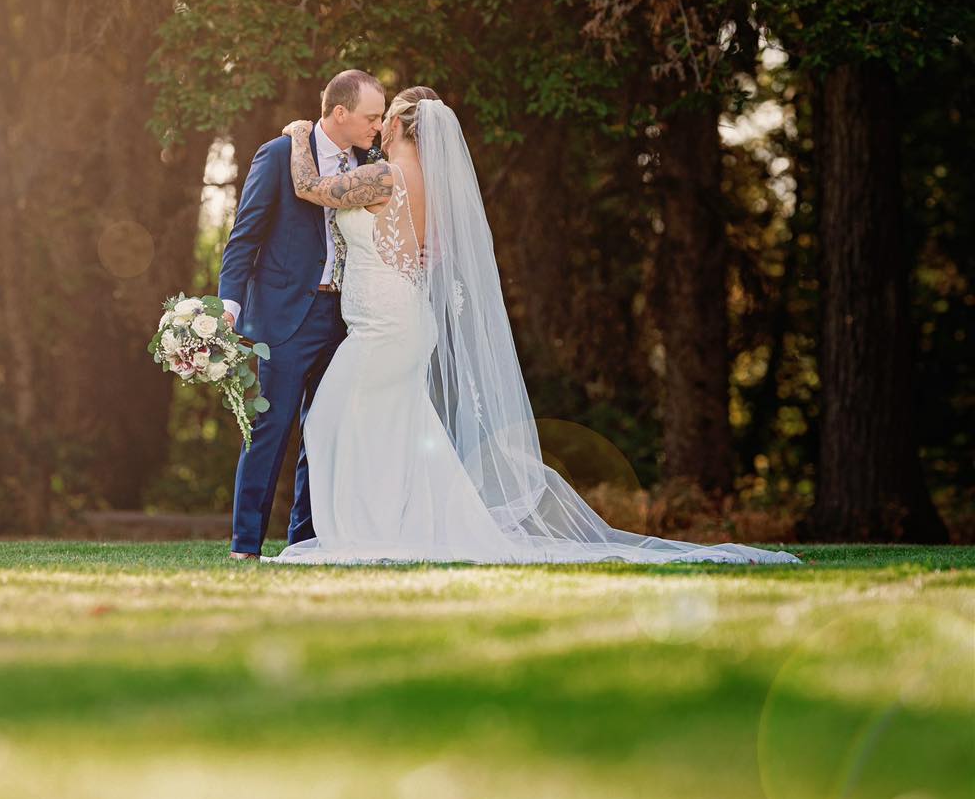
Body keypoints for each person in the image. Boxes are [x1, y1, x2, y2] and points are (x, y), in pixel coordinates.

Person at [265, 86, 802, 566]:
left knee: (330, 418)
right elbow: (431, 249)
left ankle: (369, 530)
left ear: (403, 126)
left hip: (385, 327)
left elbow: (312, 188)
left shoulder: (384, 174)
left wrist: (297, 135)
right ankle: (395, 527)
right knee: (394, 430)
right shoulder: (427, 182)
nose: (378, 126)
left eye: (387, 118)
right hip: (401, 321)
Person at [217, 69, 386, 559]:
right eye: (370, 116)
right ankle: (245, 545)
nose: (376, 126)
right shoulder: (278, 154)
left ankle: (306, 543)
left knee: (327, 430)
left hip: (346, 318)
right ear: (339, 112)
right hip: (284, 319)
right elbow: (243, 238)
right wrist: (229, 306)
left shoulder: (369, 164)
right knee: (269, 431)